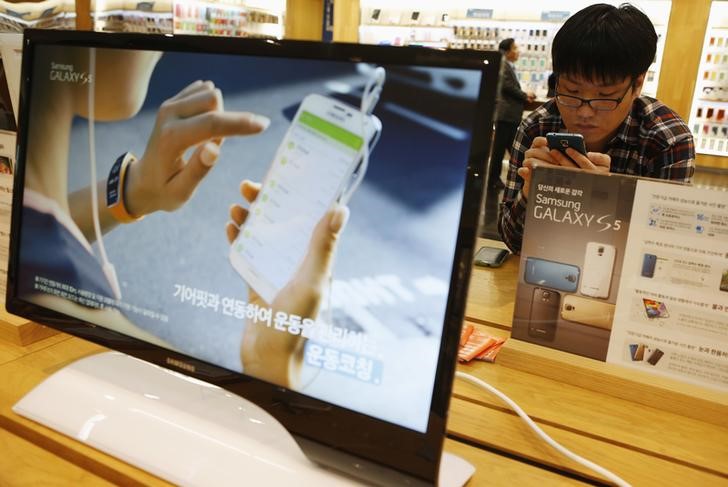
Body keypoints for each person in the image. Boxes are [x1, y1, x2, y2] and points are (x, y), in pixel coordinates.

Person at [20, 46, 346, 387]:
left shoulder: (22, 241)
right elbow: (236, 424)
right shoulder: (67, 319)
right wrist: (272, 365)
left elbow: (43, 225)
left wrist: (135, 188)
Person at [498, 3, 695, 254]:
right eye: (571, 92)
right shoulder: (537, 127)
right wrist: (529, 193)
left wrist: (605, 199)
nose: (584, 111)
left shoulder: (667, 140)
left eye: (605, 96)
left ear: (637, 84)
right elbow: (511, 241)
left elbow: (664, 255)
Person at [487, 38, 535, 190]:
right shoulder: (503, 64)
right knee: (502, 149)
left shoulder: (506, 65)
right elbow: (507, 86)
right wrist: (524, 95)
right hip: (506, 115)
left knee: (509, 148)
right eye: (515, 48)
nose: (517, 51)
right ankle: (494, 179)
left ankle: (502, 178)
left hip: (508, 116)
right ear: (507, 51)